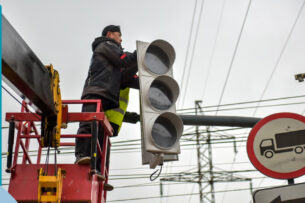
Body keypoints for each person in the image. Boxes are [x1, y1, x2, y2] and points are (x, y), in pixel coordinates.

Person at [75, 25, 137, 171]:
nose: (121, 39)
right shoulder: (105, 45)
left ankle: (99, 168)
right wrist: (139, 54)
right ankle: (81, 154)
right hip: (96, 91)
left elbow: (124, 76)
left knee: (102, 134)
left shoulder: (112, 55)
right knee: (88, 124)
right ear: (109, 34)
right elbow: (123, 59)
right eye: (119, 35)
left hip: (104, 95)